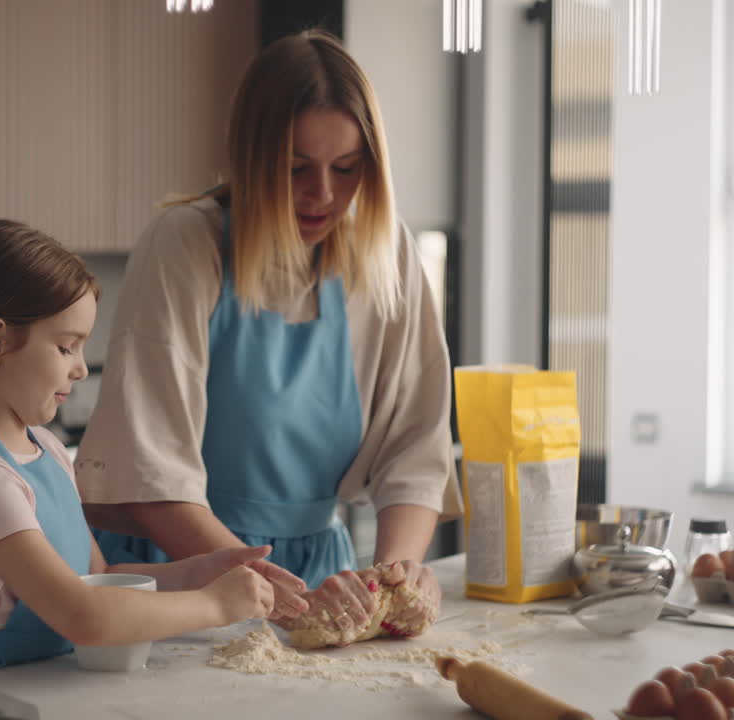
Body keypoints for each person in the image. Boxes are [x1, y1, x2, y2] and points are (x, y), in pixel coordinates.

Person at [75, 30, 464, 637]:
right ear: (252, 158)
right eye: (295, 168)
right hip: (185, 573)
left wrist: (394, 579)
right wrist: (283, 599)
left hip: (317, 569)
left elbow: (415, 452)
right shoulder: (186, 244)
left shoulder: (383, 251)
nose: (323, 194)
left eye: (347, 168)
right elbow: (154, 478)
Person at [0, 219, 278, 688]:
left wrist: (199, 573)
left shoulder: (47, 448)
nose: (79, 369)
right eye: (66, 347)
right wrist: (214, 605)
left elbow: (101, 575)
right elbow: (82, 615)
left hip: (54, 681)